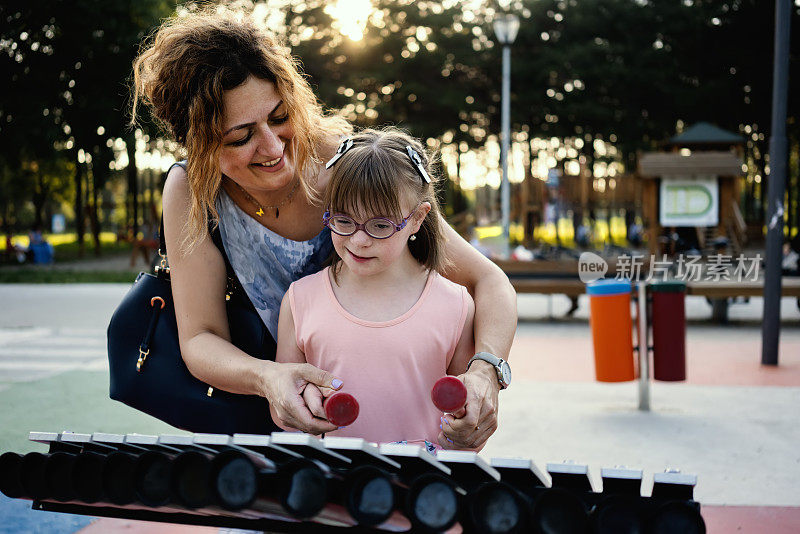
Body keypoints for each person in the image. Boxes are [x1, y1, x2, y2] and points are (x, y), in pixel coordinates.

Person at [131, 8, 516, 449]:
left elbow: (488, 280)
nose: (273, 148)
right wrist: (269, 377)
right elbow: (200, 337)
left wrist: (486, 370)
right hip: (258, 415)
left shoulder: (344, 162)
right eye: (241, 137)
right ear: (196, 143)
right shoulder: (190, 189)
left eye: (279, 117)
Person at [272, 129, 475, 449]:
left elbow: (467, 417)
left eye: (380, 225)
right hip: (330, 484)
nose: (359, 240)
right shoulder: (300, 300)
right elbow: (282, 410)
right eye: (343, 220)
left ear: (418, 218)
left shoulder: (455, 305)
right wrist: (299, 408)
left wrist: (465, 429)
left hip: (423, 488)